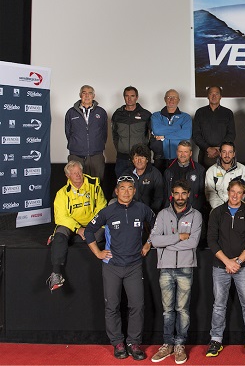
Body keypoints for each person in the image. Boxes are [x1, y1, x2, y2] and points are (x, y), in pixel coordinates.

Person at [84, 175, 155, 360]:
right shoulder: (108, 211)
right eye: (122, 188)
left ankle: (134, 343)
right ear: (116, 191)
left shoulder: (142, 209)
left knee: (137, 306)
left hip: (134, 266)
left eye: (130, 188)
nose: (126, 192)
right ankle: (117, 342)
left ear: (134, 190)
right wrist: (98, 253)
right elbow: (89, 231)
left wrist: (148, 243)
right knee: (112, 306)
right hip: (112, 266)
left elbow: (157, 225)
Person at [148, 180, 202, 364]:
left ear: (188, 194)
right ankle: (167, 344)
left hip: (186, 268)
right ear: (172, 194)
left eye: (183, 193)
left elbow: (193, 243)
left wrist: (167, 244)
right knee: (167, 310)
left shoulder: (196, 216)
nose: (180, 197)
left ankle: (180, 344)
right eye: (176, 193)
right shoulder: (163, 214)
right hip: (165, 268)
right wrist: (178, 237)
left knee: (182, 310)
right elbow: (154, 241)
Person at [206, 180, 245, 357]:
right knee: (219, 305)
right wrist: (227, 262)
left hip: (243, 266)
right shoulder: (217, 213)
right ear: (227, 192)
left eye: (239, 192)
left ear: (244, 194)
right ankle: (216, 339)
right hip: (220, 266)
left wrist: (237, 261)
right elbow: (212, 241)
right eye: (233, 191)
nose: (235, 195)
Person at [46, 160, 107, 291]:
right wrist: (78, 229)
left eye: (79, 172)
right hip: (72, 226)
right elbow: (61, 217)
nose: (78, 175)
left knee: (101, 234)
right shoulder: (62, 193)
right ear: (68, 176)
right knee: (61, 233)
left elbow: (102, 207)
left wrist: (91, 227)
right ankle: (56, 273)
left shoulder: (94, 185)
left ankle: (62, 241)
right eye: (74, 173)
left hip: (92, 224)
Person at [65, 84, 108, 180]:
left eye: (90, 93)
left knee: (96, 183)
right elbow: (68, 133)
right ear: (80, 95)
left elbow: (104, 133)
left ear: (94, 96)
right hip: (76, 155)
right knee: (76, 183)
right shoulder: (71, 112)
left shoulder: (101, 112)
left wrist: (97, 145)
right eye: (84, 93)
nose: (87, 96)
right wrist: (77, 145)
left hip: (96, 155)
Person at [111, 86, 152, 177]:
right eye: (127, 96)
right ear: (124, 97)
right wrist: (119, 147)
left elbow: (152, 134)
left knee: (142, 187)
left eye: (132, 96)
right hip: (122, 158)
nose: (129, 99)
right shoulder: (117, 114)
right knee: (122, 186)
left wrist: (145, 151)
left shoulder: (146, 114)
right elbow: (114, 134)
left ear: (136, 97)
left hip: (140, 158)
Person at [192, 85, 236, 169]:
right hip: (205, 153)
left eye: (217, 94)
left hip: (224, 153)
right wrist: (208, 148)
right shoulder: (200, 112)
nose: (214, 96)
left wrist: (219, 148)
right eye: (211, 94)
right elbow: (196, 134)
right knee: (204, 179)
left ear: (221, 96)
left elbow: (231, 134)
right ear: (207, 96)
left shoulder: (228, 113)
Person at [150, 89, 192, 173]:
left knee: (178, 184)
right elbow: (157, 130)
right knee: (159, 183)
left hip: (179, 157)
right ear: (165, 99)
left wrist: (165, 136)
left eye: (174, 98)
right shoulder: (156, 115)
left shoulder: (185, 117)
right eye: (169, 97)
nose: (171, 100)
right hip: (160, 157)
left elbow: (186, 134)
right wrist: (178, 128)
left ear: (178, 100)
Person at [119, 143, 164, 215]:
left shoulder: (155, 174)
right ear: (133, 160)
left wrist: (151, 213)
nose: (139, 161)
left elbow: (159, 198)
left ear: (147, 160)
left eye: (142, 158)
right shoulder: (126, 174)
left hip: (149, 212)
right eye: (136, 158)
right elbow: (118, 195)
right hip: (129, 212)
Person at [164, 140, 205, 213]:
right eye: (180, 151)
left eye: (185, 152)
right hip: (172, 211)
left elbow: (201, 195)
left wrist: (193, 211)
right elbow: (166, 194)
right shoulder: (168, 171)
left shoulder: (200, 170)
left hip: (194, 210)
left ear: (190, 153)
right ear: (176, 152)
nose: (182, 154)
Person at [205, 141, 245, 210]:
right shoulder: (211, 170)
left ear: (234, 154)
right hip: (217, 208)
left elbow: (244, 191)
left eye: (230, 152)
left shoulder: (242, 169)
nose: (227, 155)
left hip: (237, 206)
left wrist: (234, 205)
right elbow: (210, 192)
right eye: (224, 152)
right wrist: (221, 208)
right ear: (220, 153)